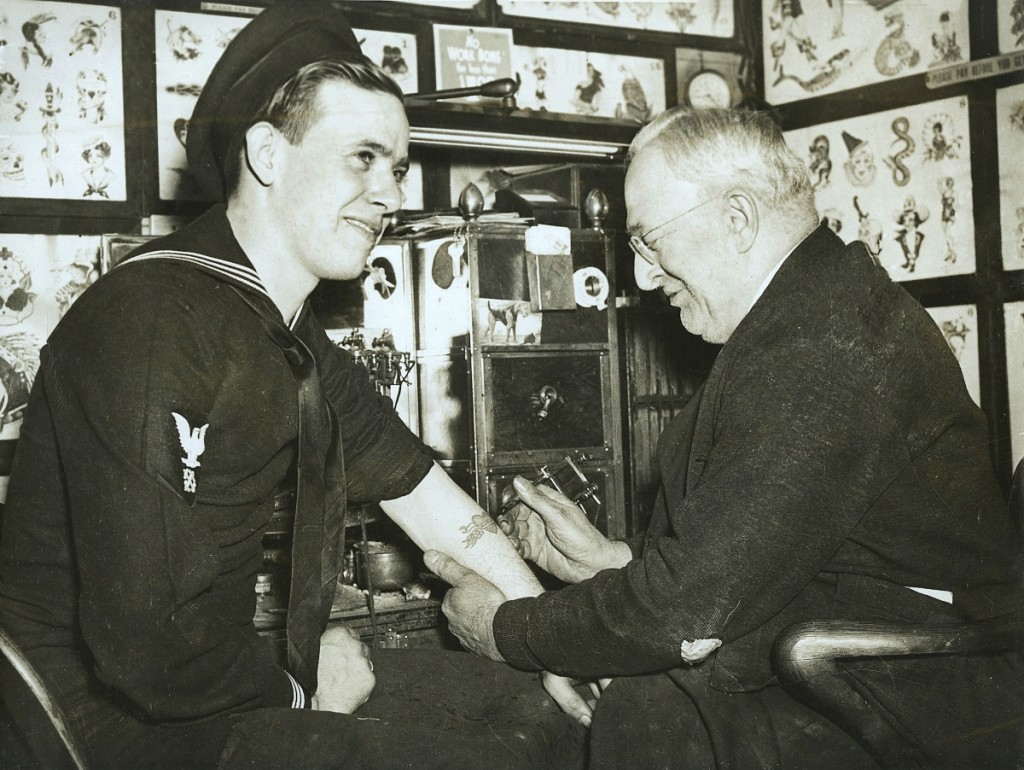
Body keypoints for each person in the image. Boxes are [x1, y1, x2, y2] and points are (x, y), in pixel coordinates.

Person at [0, 3, 586, 768]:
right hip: (103, 722)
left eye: (398, 167)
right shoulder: (151, 324)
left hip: (206, 677)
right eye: (363, 158)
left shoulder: (282, 326)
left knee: (537, 717)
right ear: (268, 156)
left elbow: (429, 501)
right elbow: (144, 649)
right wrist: (300, 691)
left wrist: (550, 643)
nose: (391, 195)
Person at [427, 107, 1024, 768]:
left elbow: (688, 612)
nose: (644, 276)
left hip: (914, 692)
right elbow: (770, 548)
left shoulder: (826, 344)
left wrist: (507, 630)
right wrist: (615, 559)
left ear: (737, 219)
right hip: (850, 655)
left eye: (650, 242)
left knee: (621, 707)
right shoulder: (809, 314)